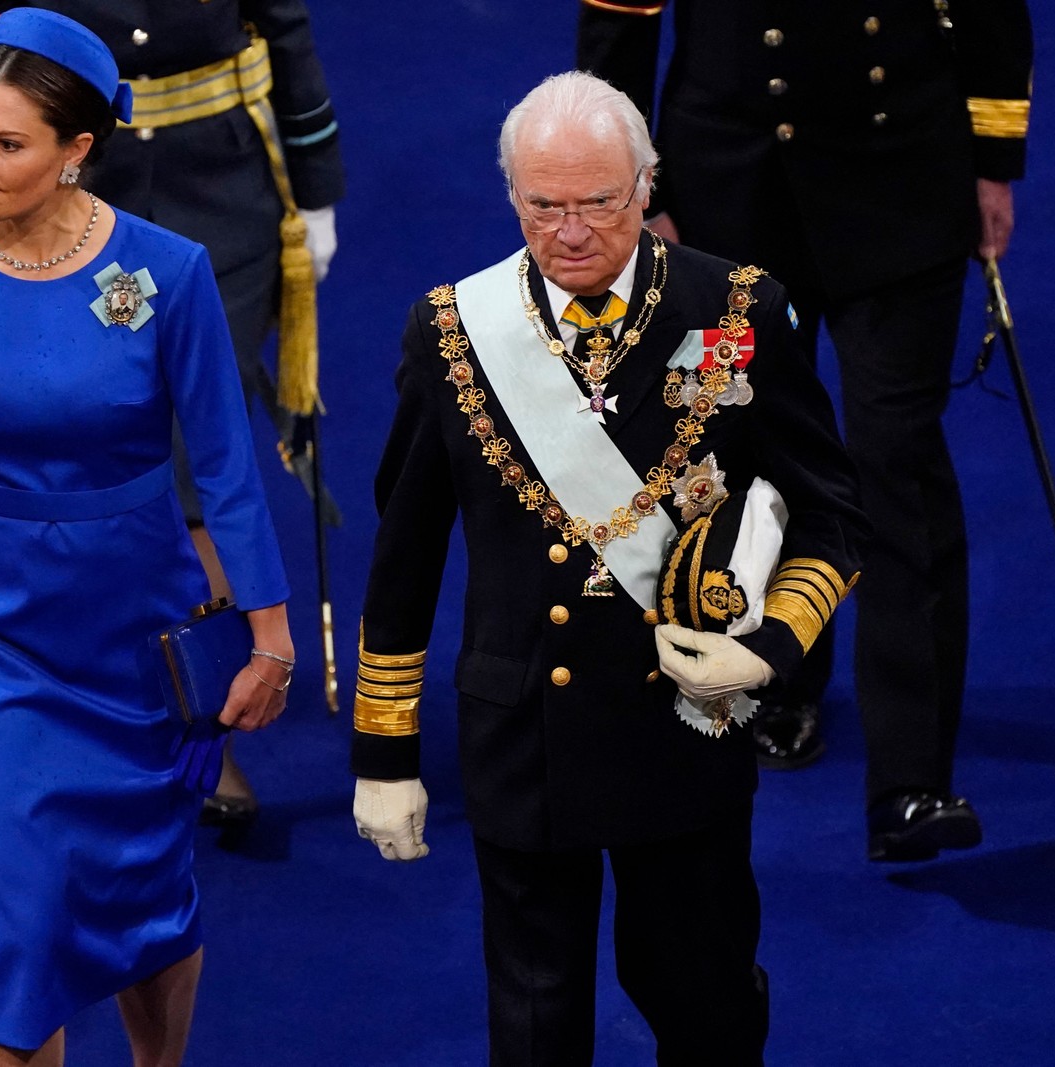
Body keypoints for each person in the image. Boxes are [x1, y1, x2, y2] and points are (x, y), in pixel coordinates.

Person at [349, 71, 867, 1065]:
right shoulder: (454, 330)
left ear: (646, 186)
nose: (571, 229)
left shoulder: (735, 306)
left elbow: (833, 514)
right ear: (510, 194)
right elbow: (403, 552)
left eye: (599, 201)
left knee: (700, 998)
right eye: (544, 204)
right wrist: (385, 752)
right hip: (523, 729)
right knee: (535, 1018)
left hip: (683, 722)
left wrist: (763, 652)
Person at [0, 10, 294, 1064]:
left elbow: (226, 469)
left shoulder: (168, 271)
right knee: (23, 905)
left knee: (150, 893)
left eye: (7, 144)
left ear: (75, 154)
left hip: (135, 629)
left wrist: (271, 639)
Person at [576, 0, 1033, 858]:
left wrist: (993, 161)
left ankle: (912, 779)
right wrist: (638, 194)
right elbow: (618, 20)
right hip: (733, 187)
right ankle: (775, 672)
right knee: (749, 457)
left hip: (902, 168)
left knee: (896, 462)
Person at [0, 0, 347, 825]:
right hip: (64, 204)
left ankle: (204, 724)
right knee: (73, 456)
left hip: (222, 195)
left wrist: (315, 190)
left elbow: (286, 30)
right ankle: (68, 702)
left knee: (201, 473)